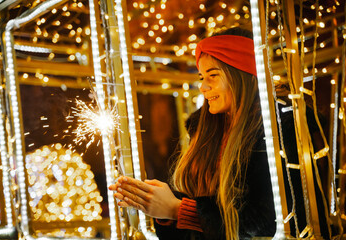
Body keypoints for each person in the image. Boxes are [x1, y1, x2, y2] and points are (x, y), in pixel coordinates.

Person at [109, 27, 276, 240]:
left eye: (213, 75)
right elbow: (200, 204)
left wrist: (177, 209)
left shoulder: (275, 129)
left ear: (242, 74)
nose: (204, 87)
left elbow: (267, 221)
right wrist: (159, 204)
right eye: (201, 77)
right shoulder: (205, 130)